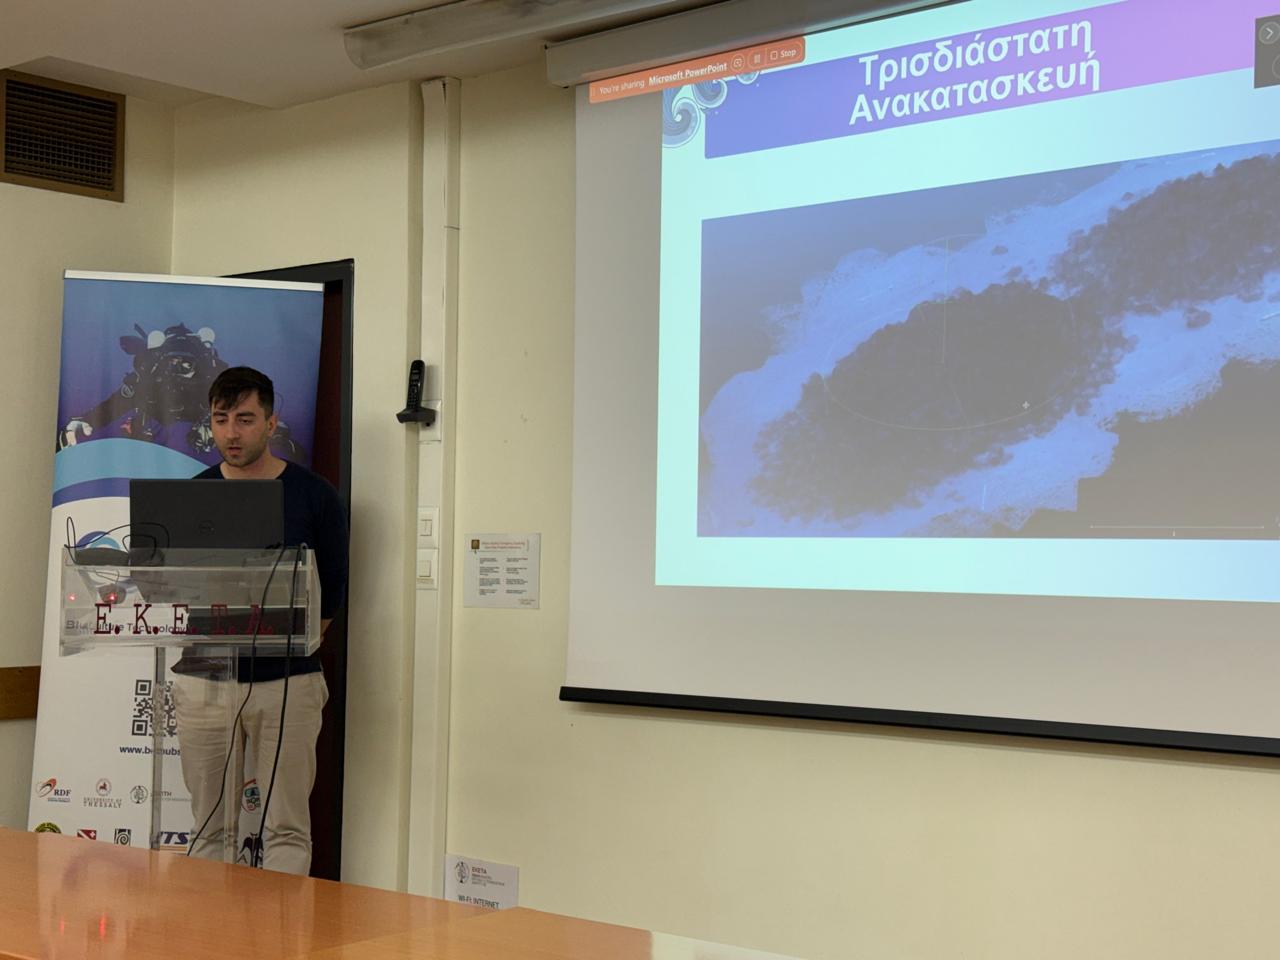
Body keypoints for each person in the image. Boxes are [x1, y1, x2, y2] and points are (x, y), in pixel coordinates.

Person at [171, 366, 348, 875]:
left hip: (287, 681)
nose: (231, 433)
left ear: (271, 423)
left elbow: (331, 595)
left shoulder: (315, 496)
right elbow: (170, 587)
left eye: (245, 419)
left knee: (287, 828)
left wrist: (282, 644)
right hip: (205, 680)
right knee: (208, 826)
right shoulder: (192, 495)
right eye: (221, 419)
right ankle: (210, 926)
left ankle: (283, 927)